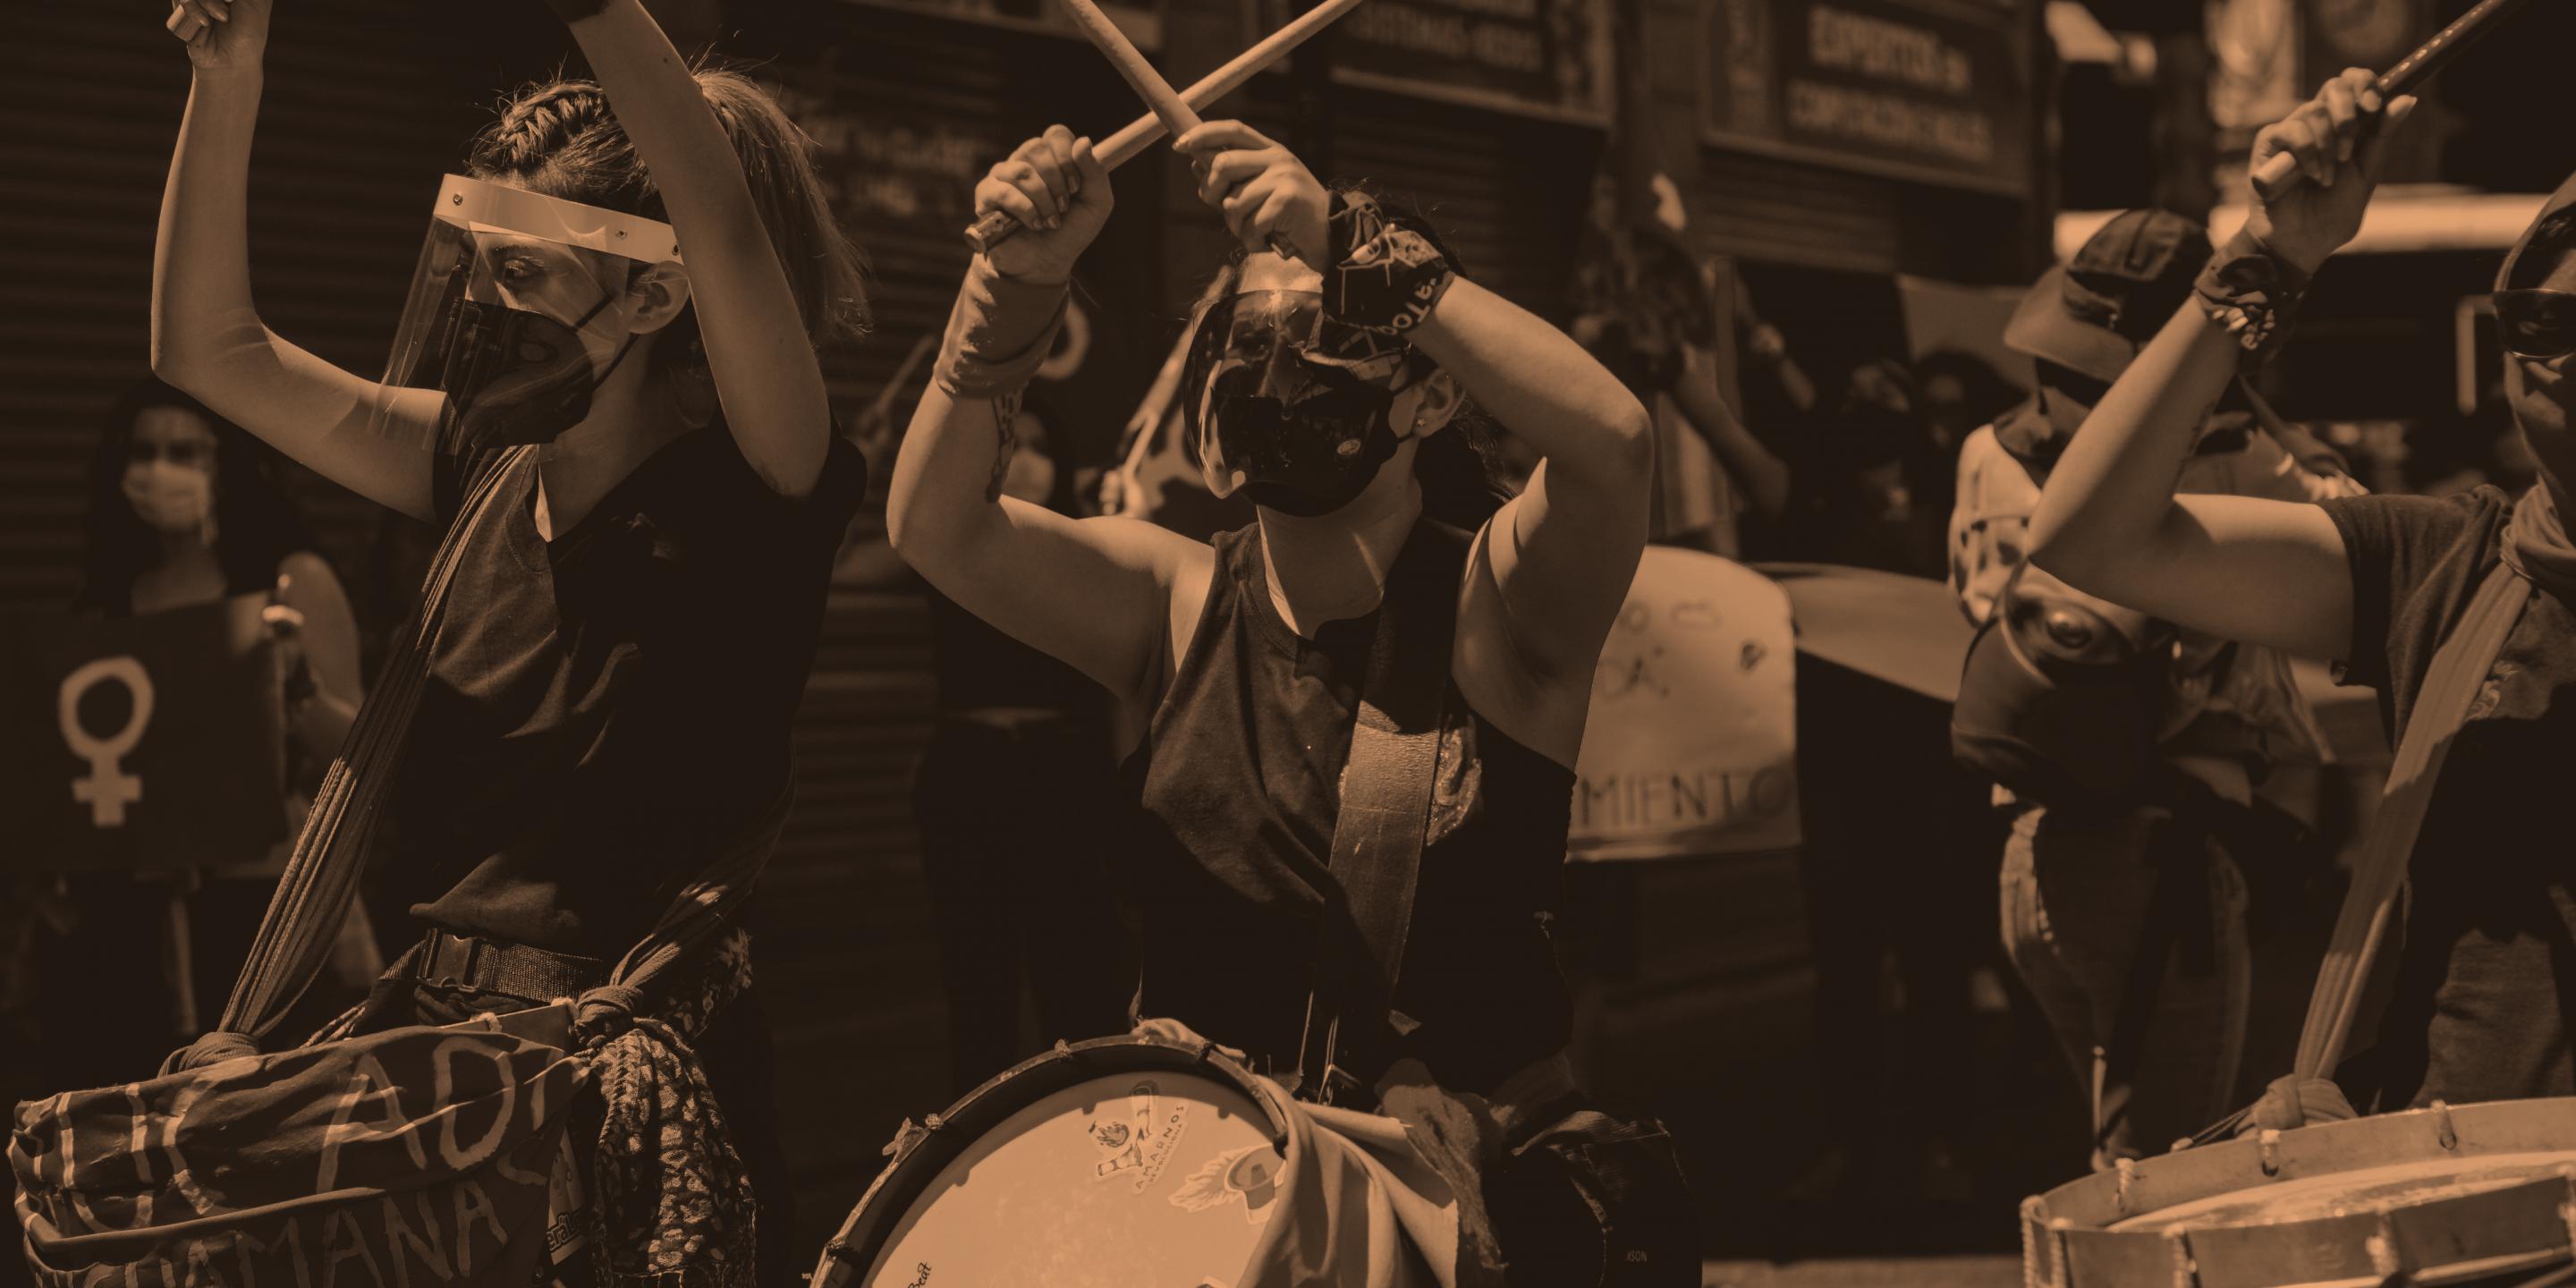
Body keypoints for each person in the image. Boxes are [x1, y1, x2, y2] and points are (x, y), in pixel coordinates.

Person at [887, 122, 1696, 1282]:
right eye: (1254, 333)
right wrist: (1010, 283)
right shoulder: (1168, 596)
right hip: (1198, 1200)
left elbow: (1613, 439)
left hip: (1458, 1212)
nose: (1277, 364)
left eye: (1327, 334)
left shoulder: (1503, 606)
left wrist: (1358, 243)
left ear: (1427, 400)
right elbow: (938, 527)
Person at [151, 0, 867, 1279]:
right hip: (432, 1072)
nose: (484, 302)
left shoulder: (764, 487)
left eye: (524, 272)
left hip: (627, 1084)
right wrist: (230, 76)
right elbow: (208, 351)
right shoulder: (471, 465)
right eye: (478, 260)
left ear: (652, 295)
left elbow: (723, 225)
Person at [2028, 70, 2576, 1115]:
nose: (2562, 353)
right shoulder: (2442, 569)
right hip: (2468, 1211)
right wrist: (2270, 256)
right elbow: (2095, 537)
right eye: (2539, 317)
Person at [1949, 208, 2364, 1168]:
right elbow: (2361, 537)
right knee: (2169, 1184)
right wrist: (2244, 384)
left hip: (2030, 850)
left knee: (2124, 1164)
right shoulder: (2234, 464)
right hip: (2162, 856)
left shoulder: (1985, 453)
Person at [20, 378, 376, 1092]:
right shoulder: (112, 602)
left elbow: (359, 752)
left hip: (260, 902)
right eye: (143, 451)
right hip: (130, 915)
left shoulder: (288, 582)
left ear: (229, 464)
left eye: (185, 451)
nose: (161, 469)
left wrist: (294, 682)